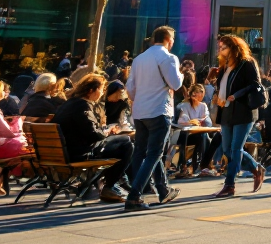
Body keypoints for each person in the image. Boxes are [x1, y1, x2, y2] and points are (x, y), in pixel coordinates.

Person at [125, 26, 184, 211]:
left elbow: (131, 88)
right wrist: (181, 74)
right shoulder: (168, 57)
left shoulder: (139, 58)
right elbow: (175, 83)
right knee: (154, 154)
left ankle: (162, 189)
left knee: (142, 152)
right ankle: (134, 196)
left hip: (141, 111)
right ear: (169, 39)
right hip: (159, 110)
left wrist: (140, 99)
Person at [53, 74, 134, 202]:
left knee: (121, 142)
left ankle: (99, 185)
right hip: (79, 153)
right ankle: (110, 186)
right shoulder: (83, 105)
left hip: (64, 151)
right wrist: (107, 132)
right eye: (101, 89)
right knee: (126, 142)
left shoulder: (68, 104)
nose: (102, 93)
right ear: (91, 90)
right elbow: (94, 135)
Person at [210, 34, 267, 197]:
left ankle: (229, 185)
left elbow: (255, 85)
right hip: (227, 110)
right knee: (228, 149)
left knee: (236, 148)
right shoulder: (224, 65)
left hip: (244, 110)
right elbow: (222, 87)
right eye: (220, 47)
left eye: (224, 47)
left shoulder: (247, 63)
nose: (221, 51)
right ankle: (256, 167)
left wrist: (237, 94)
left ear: (234, 48)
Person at [174, 83, 213, 179]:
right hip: (185, 136)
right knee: (189, 136)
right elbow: (182, 120)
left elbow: (208, 122)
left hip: (198, 134)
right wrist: (192, 122)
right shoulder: (183, 105)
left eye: (201, 93)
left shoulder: (203, 106)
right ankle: (186, 165)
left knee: (204, 136)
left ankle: (202, 165)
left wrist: (199, 120)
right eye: (197, 93)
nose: (199, 95)